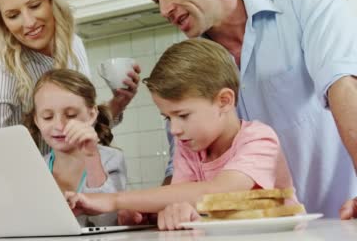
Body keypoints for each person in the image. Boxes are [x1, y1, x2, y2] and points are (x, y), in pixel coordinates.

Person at [129, 0, 357, 219]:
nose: (163, 9)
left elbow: (344, 88)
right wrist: (154, 210)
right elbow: (182, 165)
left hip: (341, 219)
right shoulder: (189, 64)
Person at [66, 38, 299, 230]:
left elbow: (216, 192)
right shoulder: (188, 148)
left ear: (224, 101)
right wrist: (157, 212)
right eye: (168, 118)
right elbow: (179, 196)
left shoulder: (259, 139)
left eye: (183, 115)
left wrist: (113, 200)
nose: (174, 130)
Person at [0, 0, 141, 153]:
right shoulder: (1, 67)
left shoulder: (73, 45)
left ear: (51, 0)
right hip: (32, 182)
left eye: (34, 5)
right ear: (2, 22)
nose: (29, 22)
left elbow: (80, 129)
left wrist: (118, 103)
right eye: (13, 15)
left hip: (78, 178)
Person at [24, 68, 127, 226]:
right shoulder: (36, 169)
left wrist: (92, 157)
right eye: (47, 117)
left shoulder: (111, 159)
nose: (59, 125)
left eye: (71, 115)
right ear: (37, 120)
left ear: (92, 115)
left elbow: (106, 221)